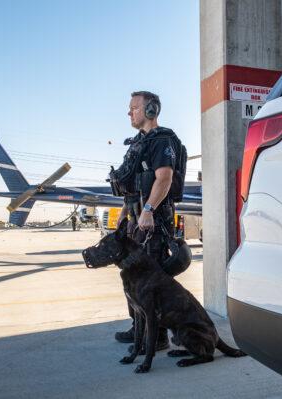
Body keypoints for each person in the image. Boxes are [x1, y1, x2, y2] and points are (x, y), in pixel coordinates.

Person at [113, 91, 181, 352]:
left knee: (150, 281)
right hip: (134, 219)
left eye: (134, 108)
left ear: (151, 110)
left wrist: (149, 210)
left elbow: (163, 178)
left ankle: (158, 337)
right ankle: (138, 328)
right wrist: (123, 217)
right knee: (132, 276)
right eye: (130, 108)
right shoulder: (137, 144)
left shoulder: (162, 140)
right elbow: (132, 187)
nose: (130, 112)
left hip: (151, 223)